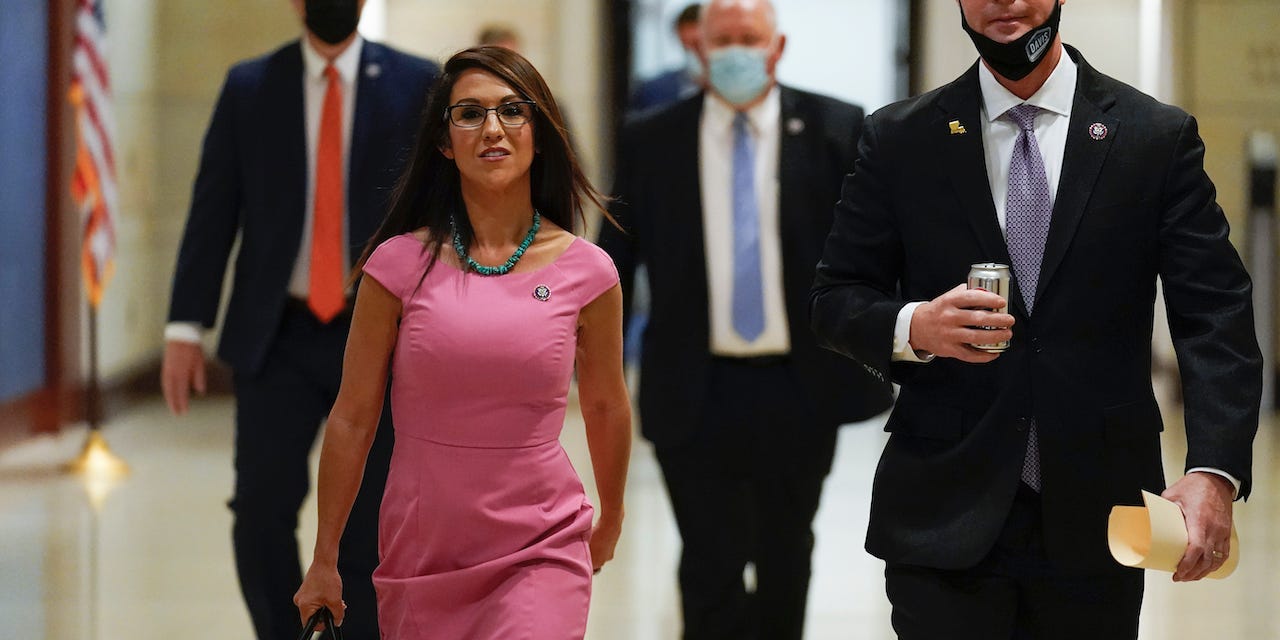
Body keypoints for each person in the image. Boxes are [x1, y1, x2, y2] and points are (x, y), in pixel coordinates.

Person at [809, 1, 1262, 638]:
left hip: (1099, 512)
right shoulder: (900, 137)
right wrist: (914, 326)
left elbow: (1215, 312)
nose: (1006, 1)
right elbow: (836, 298)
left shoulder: (1153, 136)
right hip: (944, 505)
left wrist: (1214, 470)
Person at [292, 46, 631, 639]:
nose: (492, 128)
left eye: (512, 111)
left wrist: (612, 514)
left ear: (540, 134)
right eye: (469, 113)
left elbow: (606, 404)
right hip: (423, 546)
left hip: (541, 542)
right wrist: (325, 556)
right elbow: (352, 418)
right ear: (444, 143)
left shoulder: (590, 272)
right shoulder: (395, 267)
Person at [598, 1, 893, 638]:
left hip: (800, 383)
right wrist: (594, 367)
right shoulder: (651, 137)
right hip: (693, 385)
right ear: (698, 48)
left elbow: (874, 253)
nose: (736, 50)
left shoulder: (835, 128)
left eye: (749, 38)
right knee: (709, 560)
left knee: (788, 553)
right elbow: (611, 262)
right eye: (722, 39)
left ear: (777, 46)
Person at [160, 1, 438, 637]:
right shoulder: (251, 85)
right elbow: (214, 205)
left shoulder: (418, 82)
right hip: (275, 333)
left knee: (372, 518)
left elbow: (437, 207)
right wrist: (184, 327)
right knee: (260, 509)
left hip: (379, 332)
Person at [628, 3, 704, 114]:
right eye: (686, 46)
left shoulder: (731, 90)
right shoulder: (652, 90)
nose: (694, 54)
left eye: (697, 45)